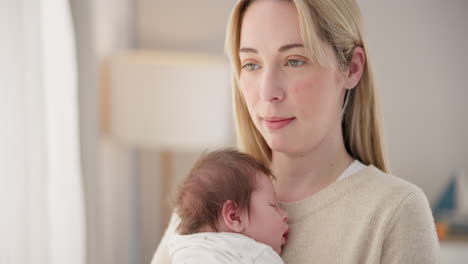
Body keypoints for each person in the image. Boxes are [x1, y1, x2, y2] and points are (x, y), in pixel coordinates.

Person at [152, 0, 439, 263]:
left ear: (351, 68)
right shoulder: (210, 202)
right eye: (251, 64)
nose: (267, 92)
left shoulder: (396, 212)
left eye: (294, 61)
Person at [169, 149, 289, 264]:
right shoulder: (255, 255)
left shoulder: (182, 249)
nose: (285, 215)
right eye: (273, 205)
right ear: (234, 216)